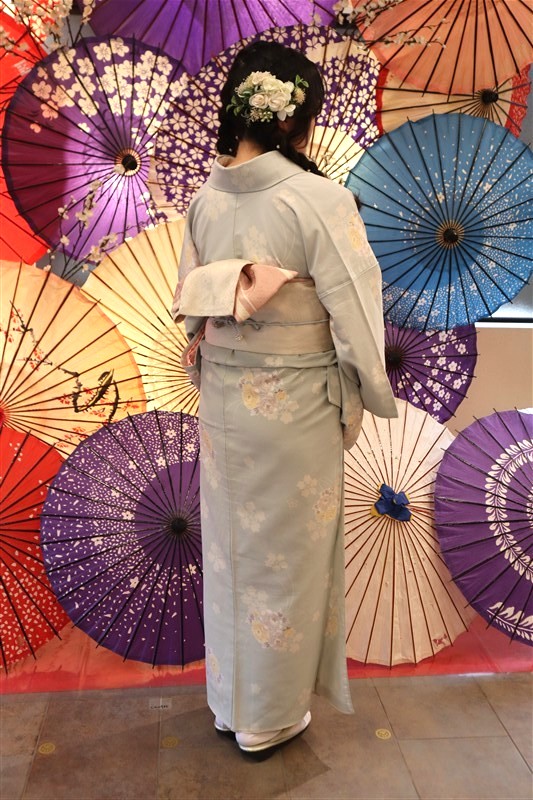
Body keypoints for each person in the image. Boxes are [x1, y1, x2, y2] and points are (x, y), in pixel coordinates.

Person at [172, 40, 397, 754]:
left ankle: (230, 702)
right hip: (295, 405)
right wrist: (365, 390)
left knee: (234, 554)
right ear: (296, 120)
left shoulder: (205, 200)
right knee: (284, 558)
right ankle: (265, 717)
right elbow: (356, 311)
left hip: (224, 399)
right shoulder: (318, 200)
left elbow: (191, 309)